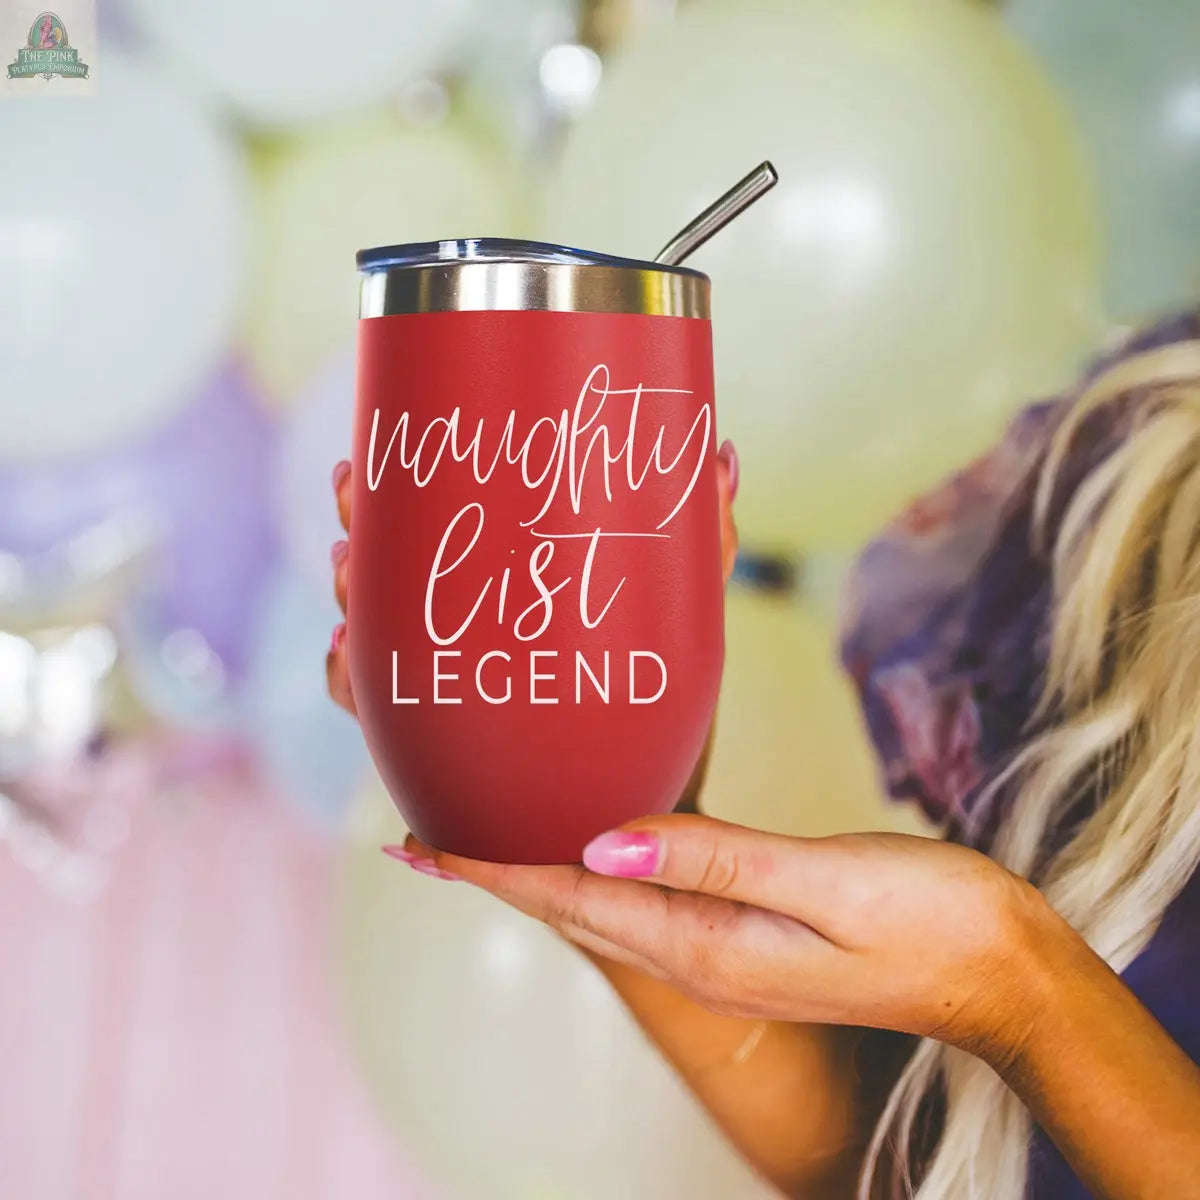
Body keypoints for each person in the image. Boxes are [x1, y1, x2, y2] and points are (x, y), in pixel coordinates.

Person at [326, 313, 1200, 1200]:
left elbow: (1019, 1014)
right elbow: (933, 1164)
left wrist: (1025, 992)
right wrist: (615, 864)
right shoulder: (1151, 482)